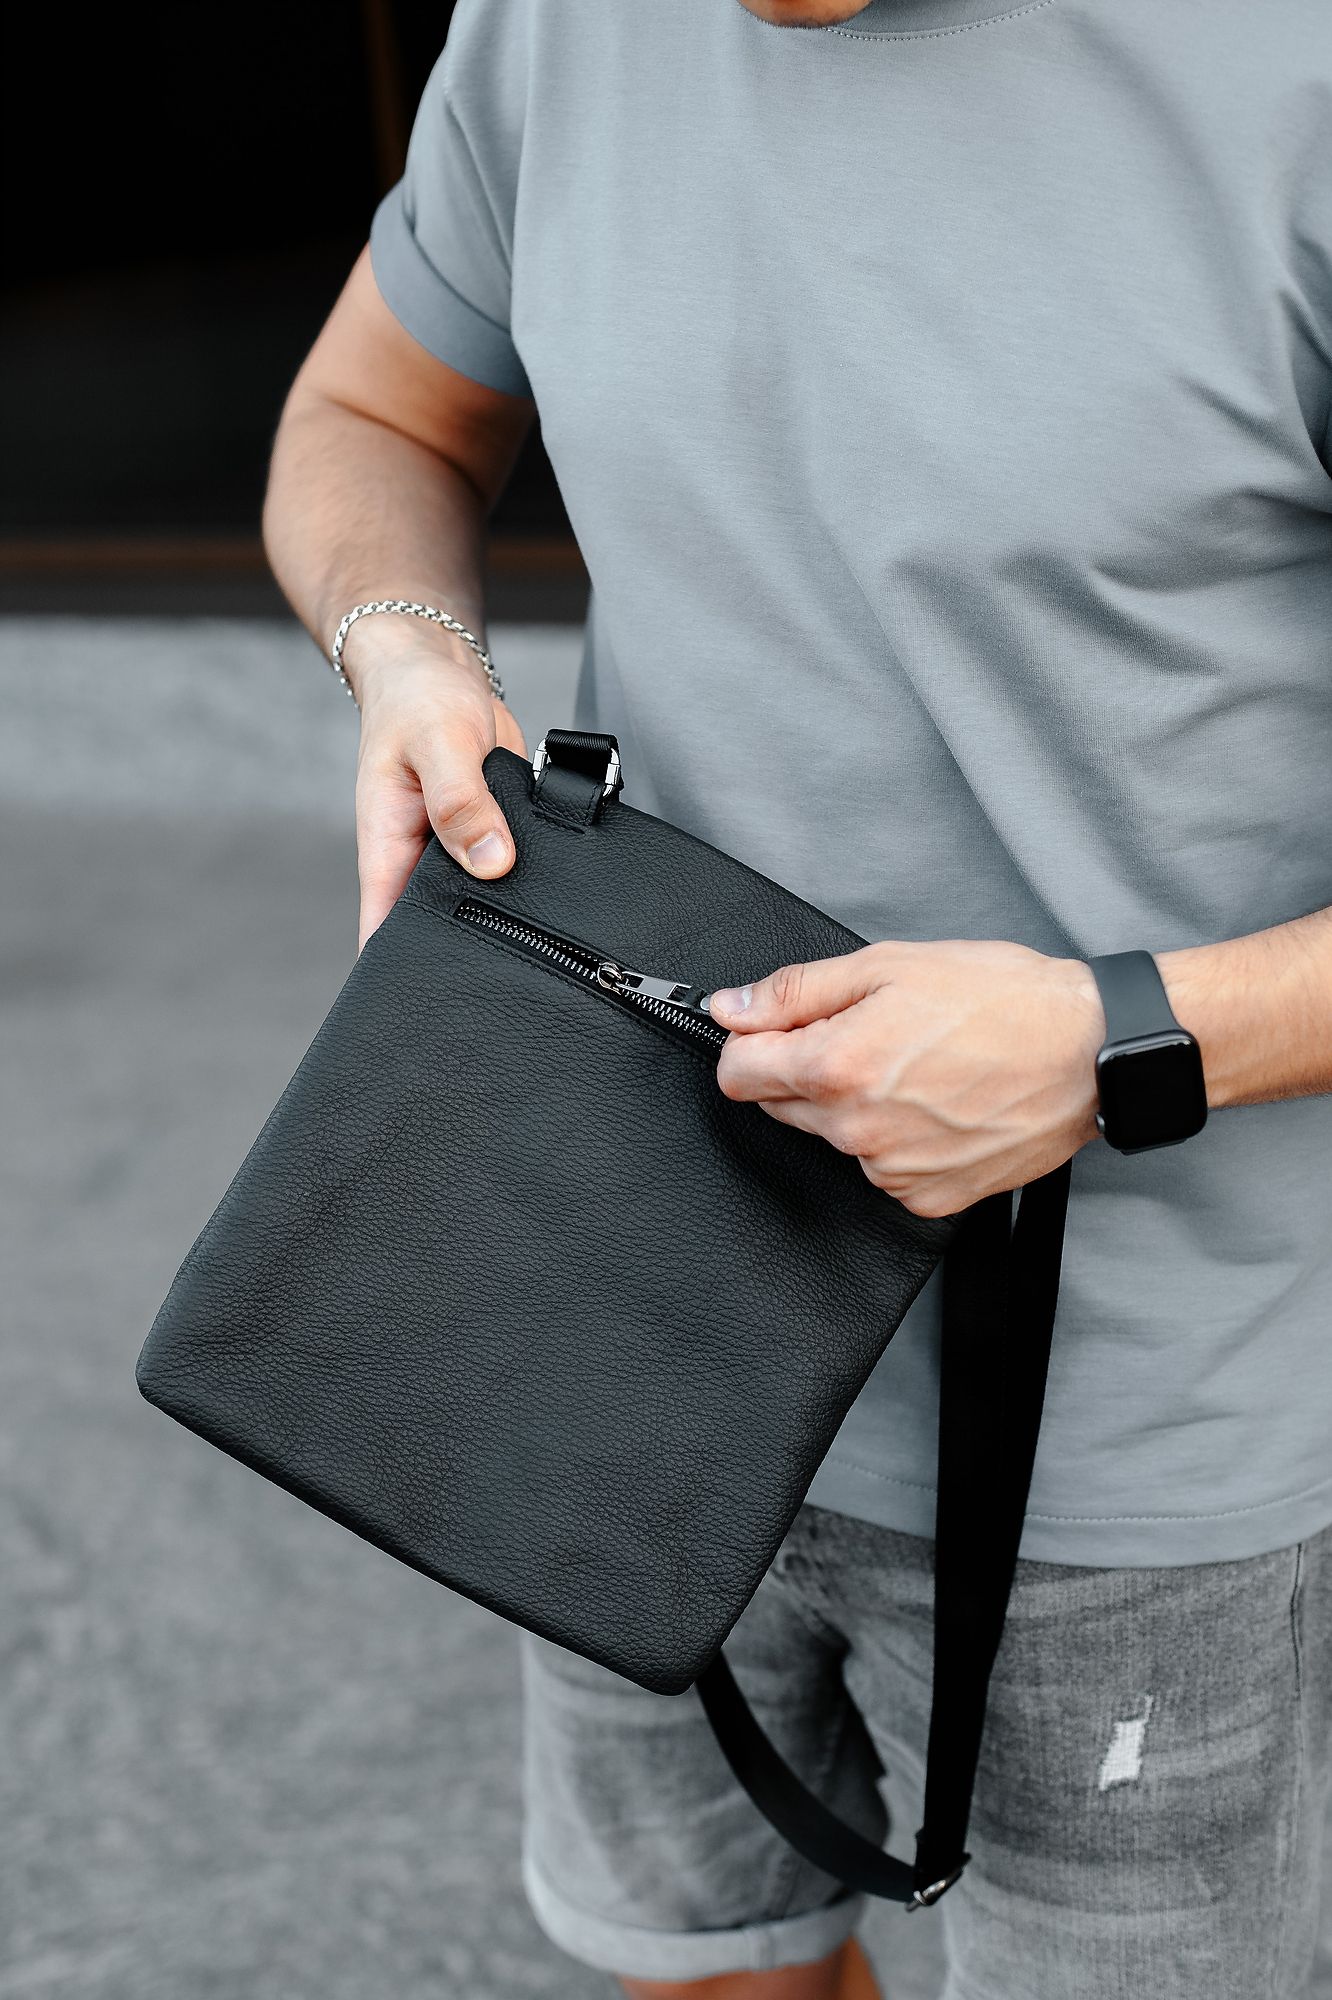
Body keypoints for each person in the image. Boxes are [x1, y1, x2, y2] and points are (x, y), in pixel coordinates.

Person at [261, 1, 1332, 1993]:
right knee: (702, 1971)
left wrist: (1119, 1033)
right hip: (620, 1317)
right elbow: (375, 417)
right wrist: (404, 647)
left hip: (1141, 1448)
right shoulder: (558, 28)